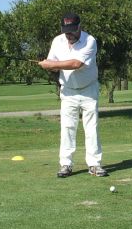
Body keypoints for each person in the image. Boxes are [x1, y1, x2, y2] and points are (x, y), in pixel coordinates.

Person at [38, 13, 107, 178]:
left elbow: (76, 64)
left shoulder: (89, 41)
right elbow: (54, 65)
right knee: (67, 127)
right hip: (68, 91)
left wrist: (51, 64)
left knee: (91, 127)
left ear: (79, 27)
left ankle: (94, 164)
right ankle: (66, 164)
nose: (68, 34)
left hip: (88, 90)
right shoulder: (57, 41)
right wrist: (47, 65)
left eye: (72, 30)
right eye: (65, 31)